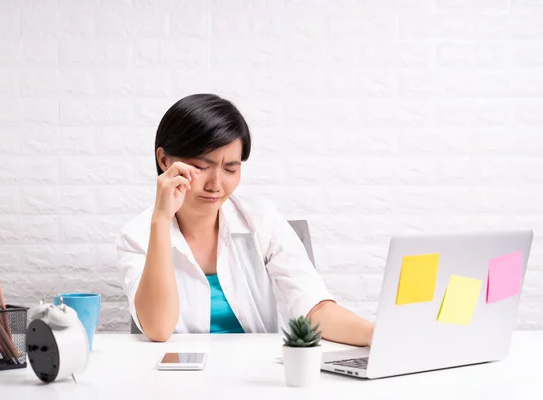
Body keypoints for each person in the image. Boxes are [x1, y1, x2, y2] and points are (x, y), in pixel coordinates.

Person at [116, 93, 374, 345]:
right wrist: (161, 219)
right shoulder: (136, 236)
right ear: (164, 160)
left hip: (255, 376)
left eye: (231, 168)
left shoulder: (261, 221)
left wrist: (381, 336)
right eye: (201, 167)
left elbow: (314, 308)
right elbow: (158, 329)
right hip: (181, 378)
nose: (216, 184)